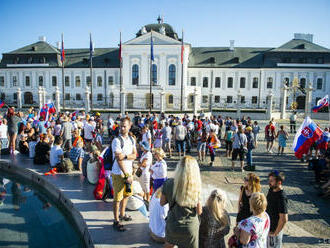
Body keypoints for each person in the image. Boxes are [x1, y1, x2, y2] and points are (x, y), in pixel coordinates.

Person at [160, 156, 202, 248]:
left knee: (169, 245)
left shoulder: (169, 183)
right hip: (190, 227)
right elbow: (199, 211)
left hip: (173, 224)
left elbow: (162, 203)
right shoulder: (195, 186)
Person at [111, 117, 137, 232]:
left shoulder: (132, 140)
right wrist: (127, 174)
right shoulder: (117, 140)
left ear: (129, 126)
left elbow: (135, 155)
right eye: (120, 126)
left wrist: (126, 156)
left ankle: (122, 214)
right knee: (117, 198)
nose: (122, 128)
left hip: (128, 172)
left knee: (126, 194)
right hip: (118, 173)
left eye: (124, 126)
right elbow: (118, 159)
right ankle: (116, 220)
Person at [266, 171, 288, 248]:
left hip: (273, 231)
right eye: (269, 180)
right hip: (268, 229)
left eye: (272, 181)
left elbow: (284, 219)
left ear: (279, 182)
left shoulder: (281, 197)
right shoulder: (271, 190)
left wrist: (275, 233)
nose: (269, 182)